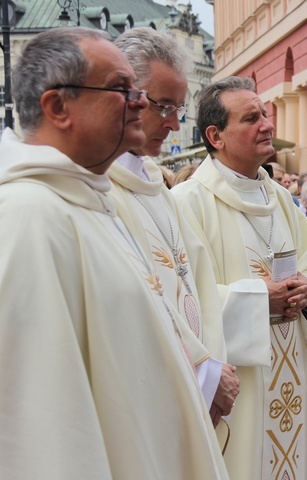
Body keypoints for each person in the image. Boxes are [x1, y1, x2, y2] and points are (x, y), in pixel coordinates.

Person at [0, 27, 228, 478]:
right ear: (58, 107)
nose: (141, 104)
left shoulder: (91, 201)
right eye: (123, 90)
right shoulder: (30, 216)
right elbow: (43, 419)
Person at [172, 76, 307, 479]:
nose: (267, 124)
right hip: (238, 387)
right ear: (216, 135)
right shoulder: (187, 203)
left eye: (265, 114)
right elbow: (181, 300)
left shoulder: (281, 199)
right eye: (251, 118)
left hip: (291, 374)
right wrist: (255, 298)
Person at [109, 27, 239, 428]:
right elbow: (135, 302)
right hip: (151, 394)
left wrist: (215, 365)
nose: (172, 123)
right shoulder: (99, 190)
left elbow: (197, 282)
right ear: (125, 96)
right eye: (163, 106)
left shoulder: (157, 185)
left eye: (178, 110)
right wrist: (204, 371)